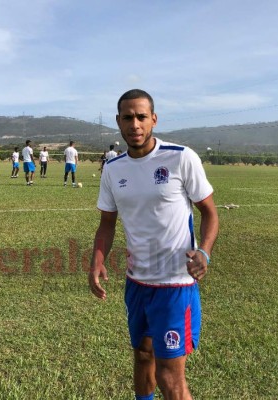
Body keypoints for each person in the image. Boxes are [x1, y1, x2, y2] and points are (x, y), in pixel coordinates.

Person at [88, 89, 219, 400]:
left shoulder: (180, 157)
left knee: (170, 376)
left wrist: (204, 252)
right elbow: (107, 223)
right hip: (137, 283)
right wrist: (97, 261)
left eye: (141, 117)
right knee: (143, 356)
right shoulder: (114, 169)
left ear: (153, 120)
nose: (135, 124)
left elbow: (210, 213)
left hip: (175, 285)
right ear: (118, 122)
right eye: (128, 117)